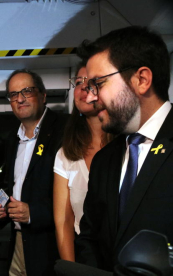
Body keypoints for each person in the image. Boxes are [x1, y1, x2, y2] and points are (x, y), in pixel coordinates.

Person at [75, 26, 172, 272]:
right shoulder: (104, 160)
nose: (89, 97)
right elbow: (89, 236)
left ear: (141, 80)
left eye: (98, 84)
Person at [0, 69, 68, 276]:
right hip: (19, 244)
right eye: (14, 94)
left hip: (53, 245)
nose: (20, 99)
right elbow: (9, 184)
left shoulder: (65, 131)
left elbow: (78, 194)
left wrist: (34, 213)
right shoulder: (13, 139)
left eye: (27, 91)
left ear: (43, 95)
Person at [53, 62, 112, 261]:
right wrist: (71, 269)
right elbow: (64, 220)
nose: (84, 86)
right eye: (79, 82)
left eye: (93, 81)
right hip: (84, 255)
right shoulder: (65, 154)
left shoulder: (127, 144)